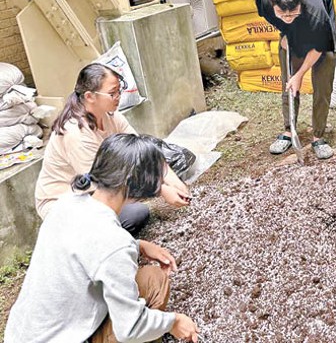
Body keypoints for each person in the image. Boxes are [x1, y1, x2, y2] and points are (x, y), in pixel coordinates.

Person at [5, 134, 199, 342]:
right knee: (154, 281)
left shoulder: (66, 204)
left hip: (23, 334)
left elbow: (88, 245)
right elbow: (129, 328)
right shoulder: (114, 243)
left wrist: (139, 245)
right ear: (139, 185)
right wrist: (174, 322)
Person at [35, 63, 191, 235]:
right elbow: (104, 184)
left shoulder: (112, 117)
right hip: (64, 203)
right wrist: (160, 189)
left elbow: (143, 152)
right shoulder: (76, 133)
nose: (118, 97)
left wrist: (174, 181)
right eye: (112, 93)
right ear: (90, 96)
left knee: (137, 213)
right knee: (129, 215)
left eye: (119, 91)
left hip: (96, 191)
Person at [256, 0, 336, 160]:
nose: (286, 16)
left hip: (320, 36)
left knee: (322, 84)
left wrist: (300, 74)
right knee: (288, 84)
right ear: (271, 2)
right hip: (292, 32)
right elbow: (275, 18)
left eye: (292, 12)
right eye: (281, 12)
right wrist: (285, 32)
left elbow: (318, 47)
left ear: (300, 2)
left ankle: (318, 135)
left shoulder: (316, 10)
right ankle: (288, 130)